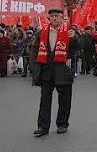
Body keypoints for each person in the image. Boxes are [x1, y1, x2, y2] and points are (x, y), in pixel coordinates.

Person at [32, 8, 75, 137]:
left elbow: (80, 46)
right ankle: (43, 127)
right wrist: (35, 67)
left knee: (64, 100)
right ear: (49, 18)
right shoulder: (42, 32)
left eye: (57, 16)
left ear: (62, 18)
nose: (54, 18)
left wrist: (75, 38)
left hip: (63, 70)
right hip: (46, 71)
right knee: (44, 100)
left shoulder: (69, 31)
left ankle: (62, 124)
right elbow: (35, 50)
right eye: (52, 16)